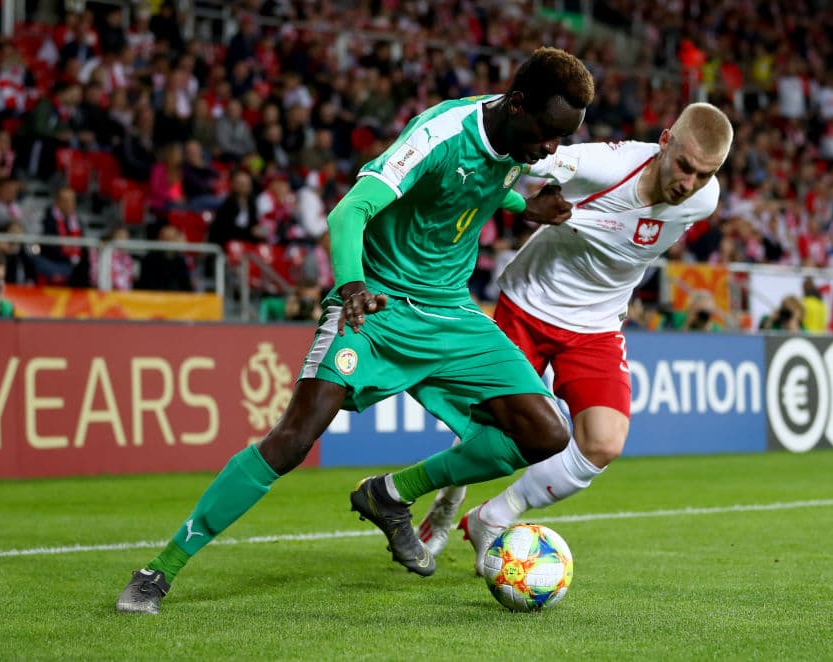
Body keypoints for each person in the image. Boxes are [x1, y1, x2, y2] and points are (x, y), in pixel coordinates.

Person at [115, 47, 595, 615]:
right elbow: (348, 213)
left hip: (450, 316)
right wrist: (351, 287)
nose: (551, 150)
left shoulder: (517, 144)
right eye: (548, 134)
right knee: (292, 439)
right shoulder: (440, 133)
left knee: (546, 434)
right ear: (517, 105)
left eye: (561, 139)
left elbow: (477, 188)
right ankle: (159, 570)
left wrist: (525, 207)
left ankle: (391, 494)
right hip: (377, 305)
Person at [415, 102, 733, 574]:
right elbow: (523, 154)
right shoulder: (607, 165)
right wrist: (521, 202)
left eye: (704, 174)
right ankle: (448, 495)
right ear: (664, 141)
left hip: (597, 324)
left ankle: (492, 518)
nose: (689, 183)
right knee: (492, 436)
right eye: (684, 165)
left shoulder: (704, 199)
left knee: (603, 443)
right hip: (529, 304)